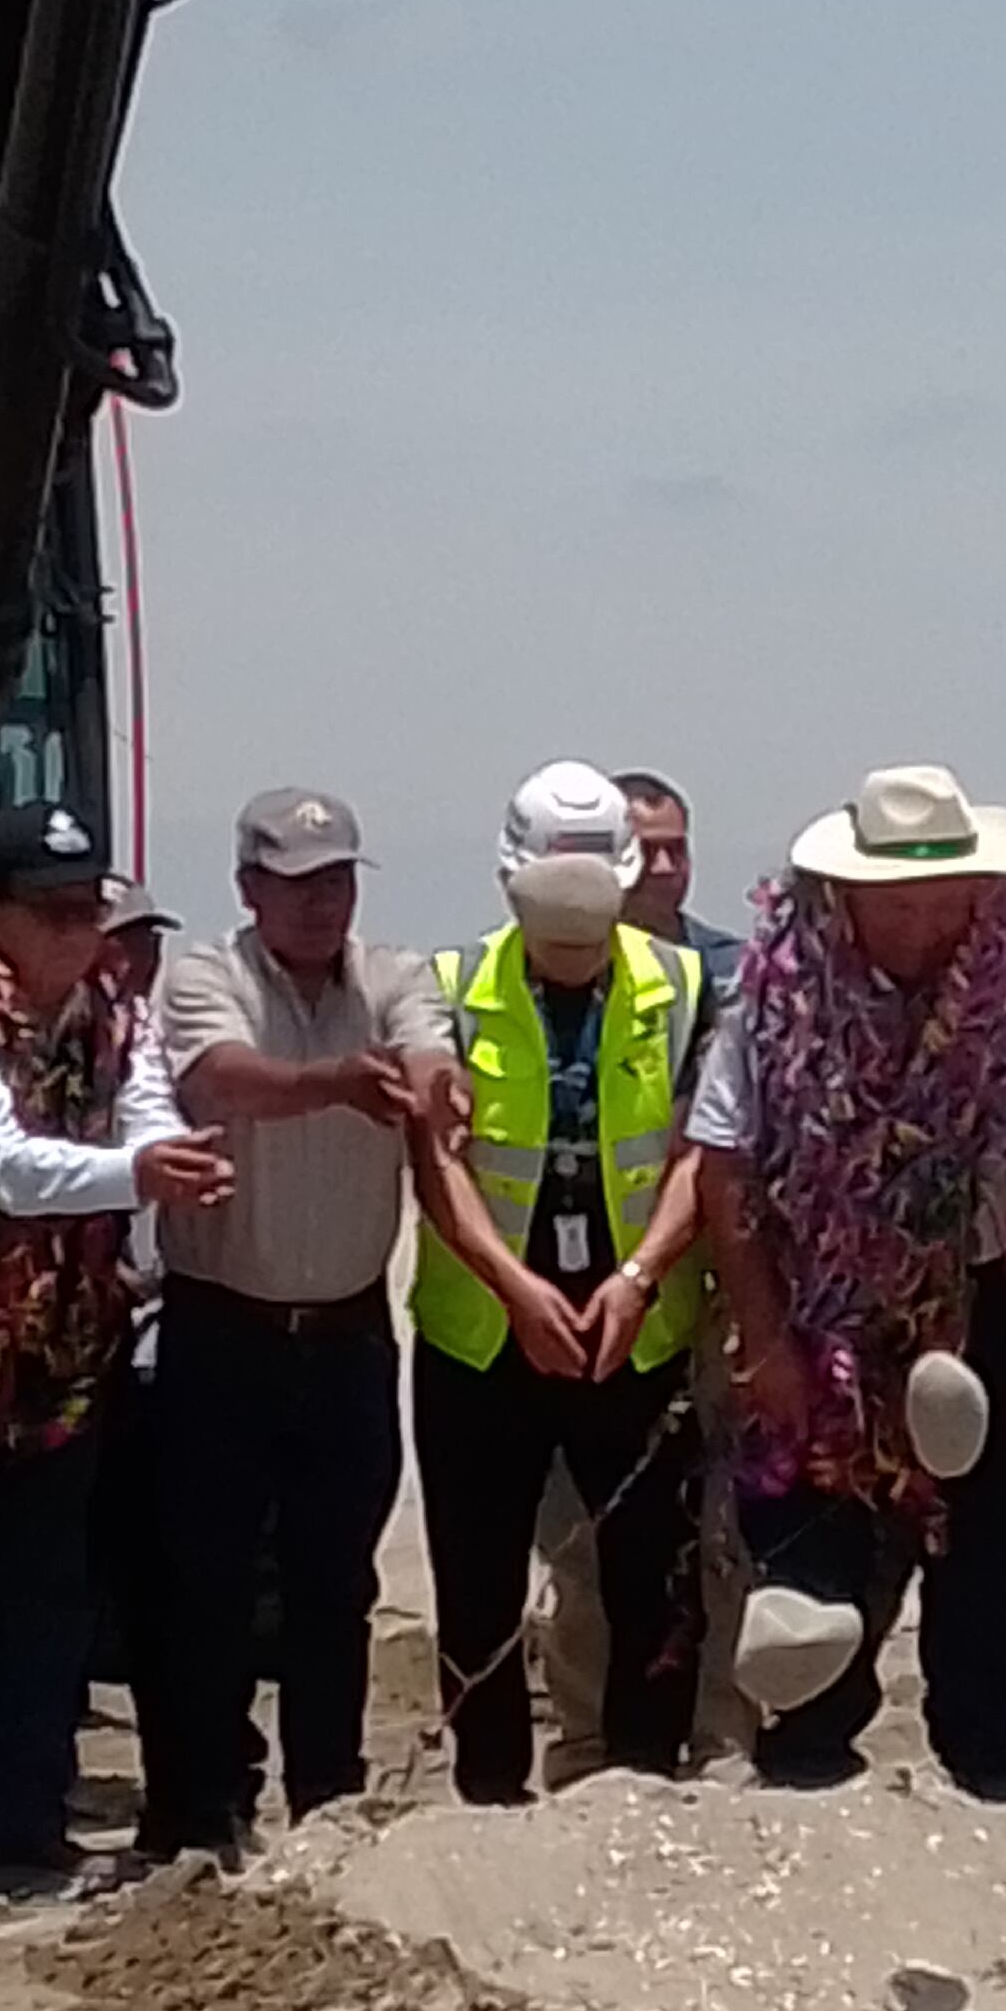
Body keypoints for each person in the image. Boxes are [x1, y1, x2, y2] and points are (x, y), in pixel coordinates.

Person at [691, 763, 1006, 1795]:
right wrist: (762, 1336)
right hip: (822, 1303)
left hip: (976, 1306)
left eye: (944, 899)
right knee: (816, 1539)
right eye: (899, 902)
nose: (924, 923)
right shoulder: (772, 997)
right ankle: (806, 1754)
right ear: (847, 897)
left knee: (989, 1543)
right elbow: (724, 1160)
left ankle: (991, 1760)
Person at [0, 798, 232, 1890]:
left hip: (71, 1346)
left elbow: (148, 1116)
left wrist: (167, 1160)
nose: (74, 932)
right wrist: (141, 1175)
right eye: (49, 910)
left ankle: (27, 1825)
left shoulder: (113, 1017)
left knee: (47, 1596)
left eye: (89, 908)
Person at [142, 788, 455, 1856]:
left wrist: (431, 1083)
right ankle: (197, 1807)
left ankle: (327, 1801)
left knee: (337, 1581)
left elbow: (425, 1045)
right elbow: (222, 1078)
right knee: (205, 1580)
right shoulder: (202, 975)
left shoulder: (394, 973)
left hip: (344, 1335)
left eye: (335, 880)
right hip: (221, 1327)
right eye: (295, 882)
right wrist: (335, 1082)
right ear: (248, 890)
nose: (320, 903)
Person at [406, 763, 715, 1806]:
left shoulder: (683, 987)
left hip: (634, 1324)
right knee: (478, 1579)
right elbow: (435, 1163)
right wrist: (509, 1287)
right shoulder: (449, 987)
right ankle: (489, 1786)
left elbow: (700, 1154)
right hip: (486, 1335)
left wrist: (635, 1278)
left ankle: (637, 1781)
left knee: (650, 1576)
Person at [613, 769, 749, 995]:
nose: (664, 867)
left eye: (676, 850)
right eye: (645, 851)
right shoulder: (560, 969)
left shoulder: (732, 971)